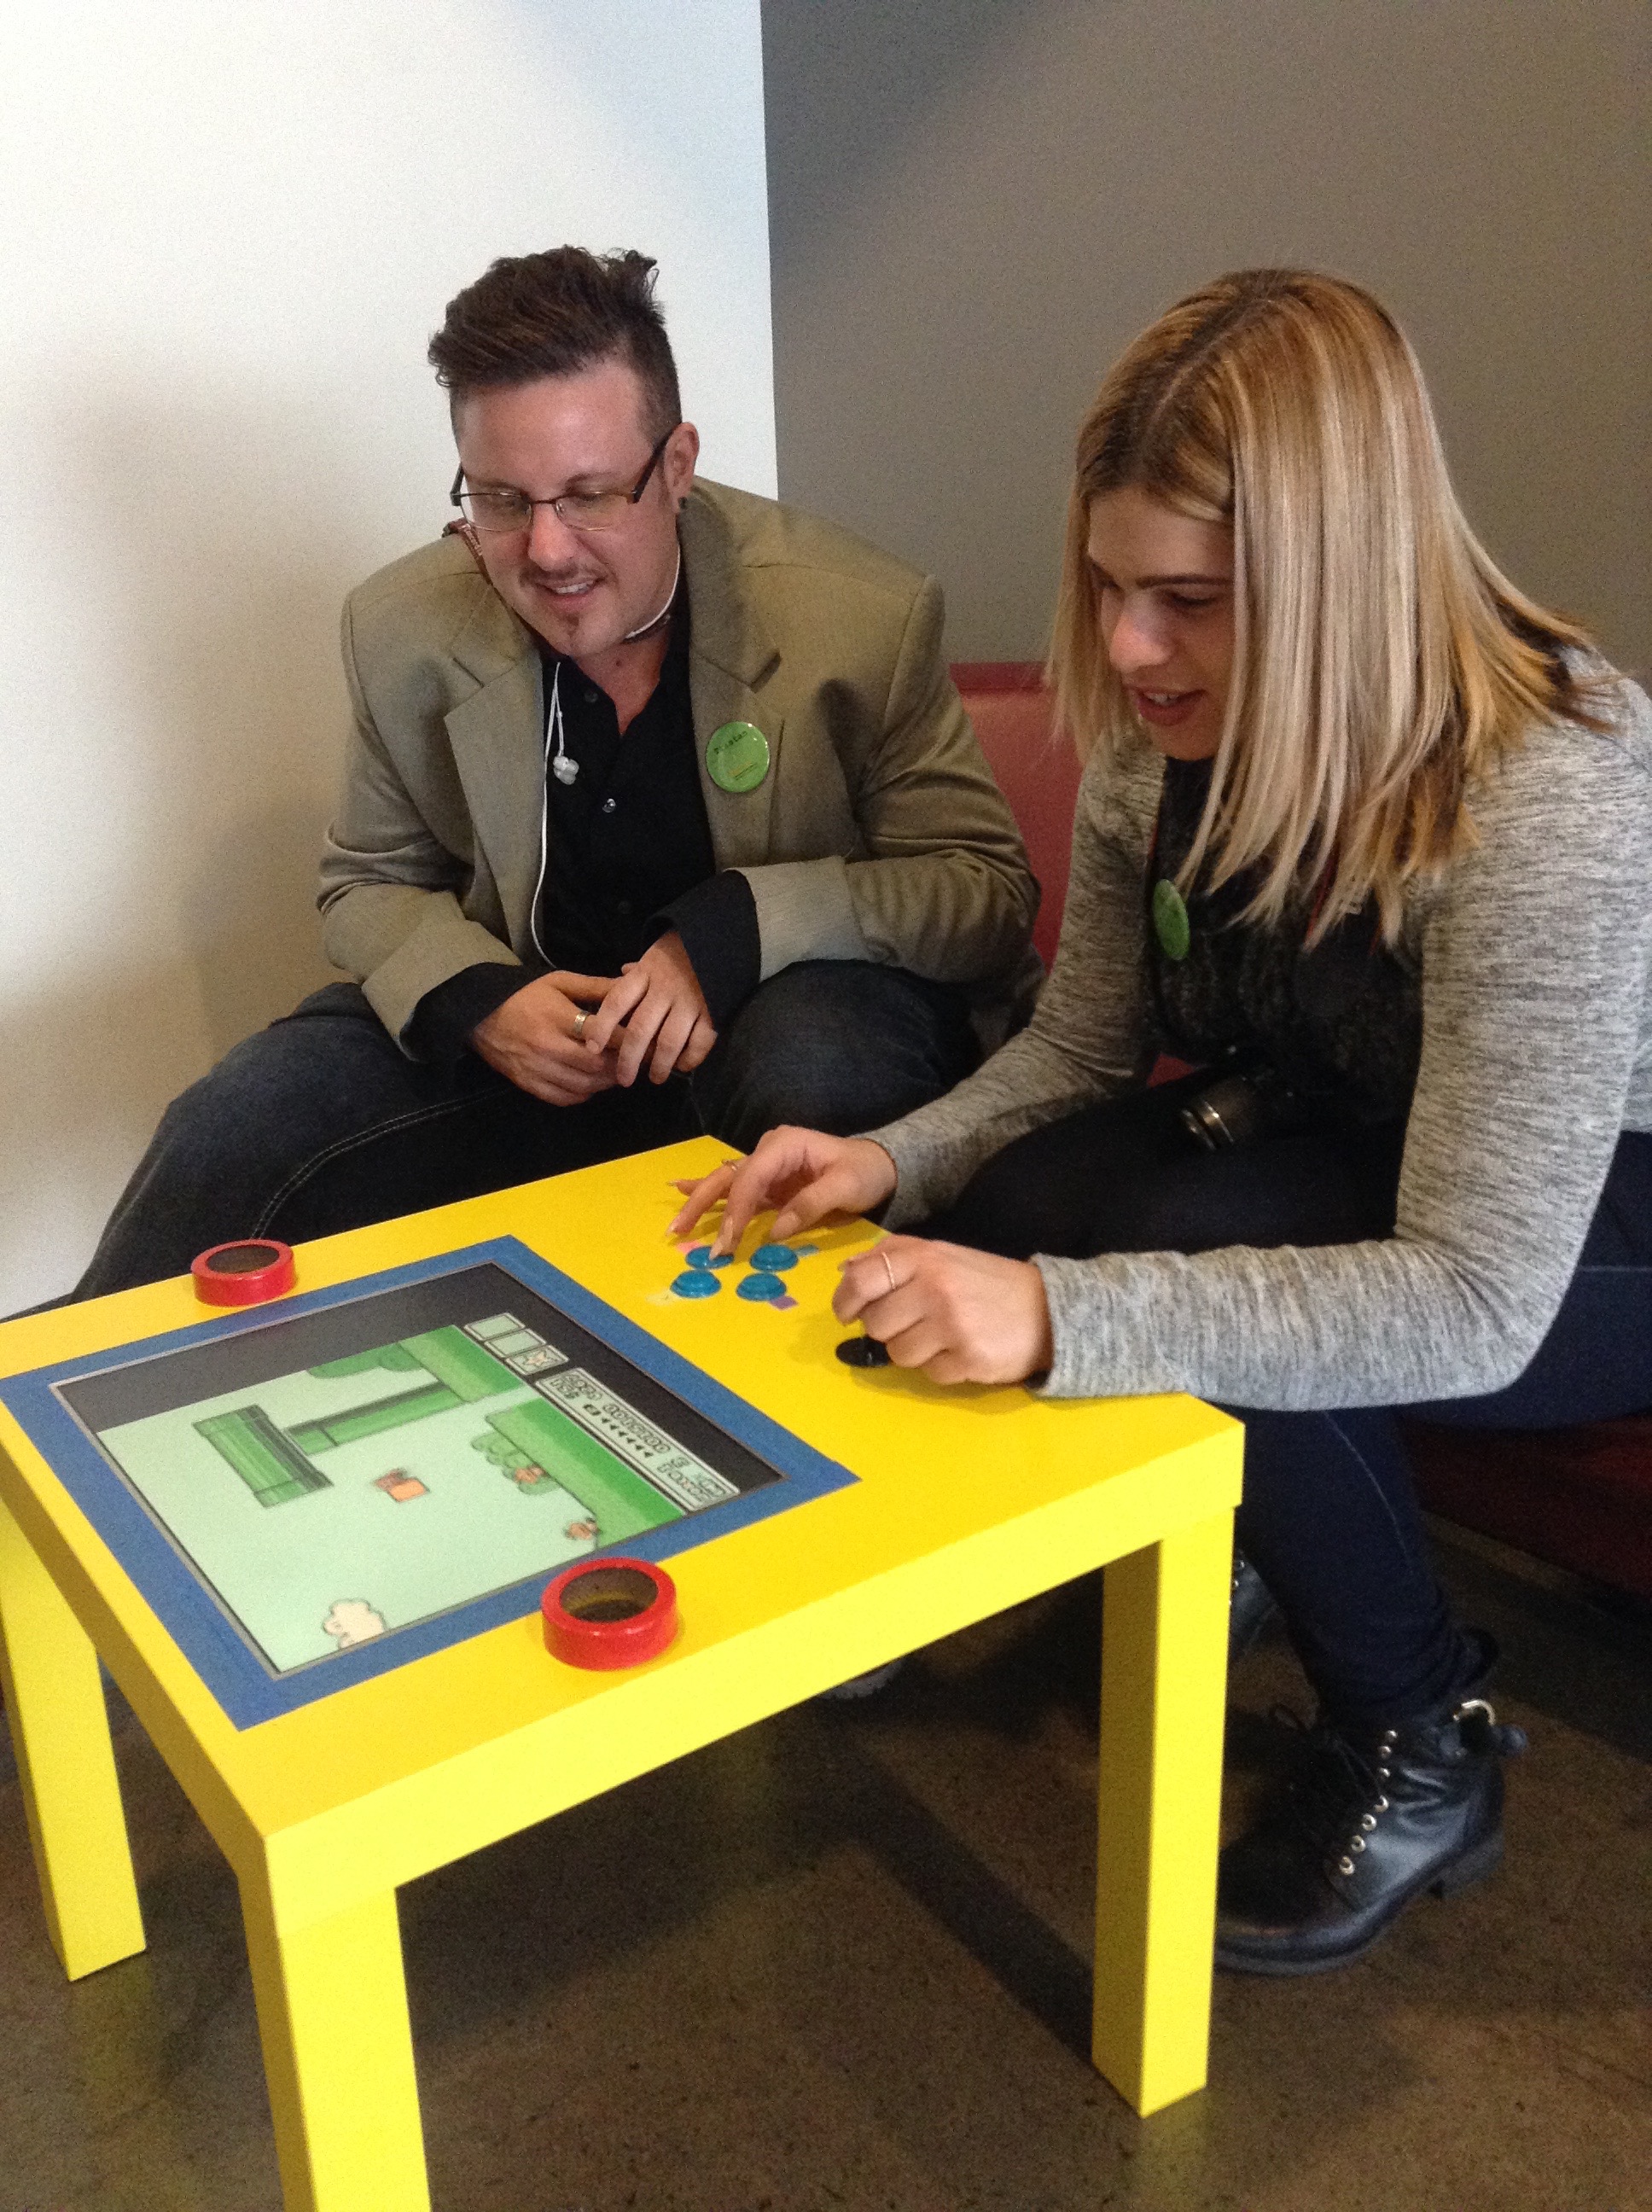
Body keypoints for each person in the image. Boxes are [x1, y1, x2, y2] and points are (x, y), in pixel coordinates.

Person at [672, 269, 1652, 1976]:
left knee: (1171, 1271)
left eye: (1187, 600)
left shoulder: (1546, 782)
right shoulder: (1161, 738)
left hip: (1586, 1215)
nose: (1126, 650)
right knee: (1034, 1193)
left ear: (1342, 582)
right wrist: (892, 1159)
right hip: (1364, 1125)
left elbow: (1476, 1298)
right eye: (1110, 587)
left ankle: (1422, 1741)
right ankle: (1242, 1534)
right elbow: (1077, 1048)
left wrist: (1070, 1321)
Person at [73, 247, 1037, 1299]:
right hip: (530, 1065)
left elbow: (982, 893)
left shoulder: (858, 616)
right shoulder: (399, 628)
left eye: (588, 495)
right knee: (241, 1117)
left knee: (816, 1063)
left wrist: (736, 928)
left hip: (779, 1035)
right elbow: (368, 883)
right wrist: (479, 998)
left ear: (676, 466)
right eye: (500, 500)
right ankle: (64, 1391)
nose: (545, 551)